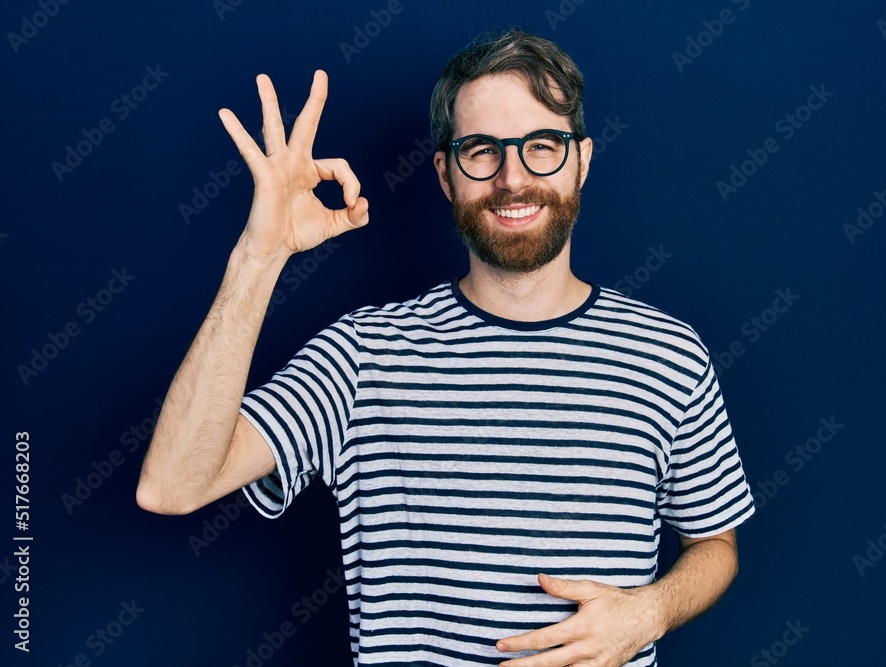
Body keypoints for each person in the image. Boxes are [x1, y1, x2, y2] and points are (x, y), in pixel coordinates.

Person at [136, 29, 754, 667]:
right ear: (445, 173)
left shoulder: (668, 353)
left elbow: (716, 545)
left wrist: (648, 612)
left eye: (542, 145)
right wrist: (259, 255)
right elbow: (173, 485)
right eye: (481, 151)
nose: (512, 178)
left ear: (583, 161)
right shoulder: (362, 356)